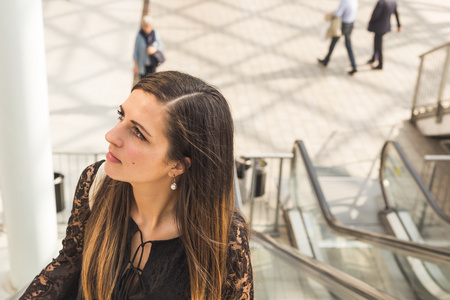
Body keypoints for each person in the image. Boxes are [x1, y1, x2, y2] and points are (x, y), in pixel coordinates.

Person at [20, 71, 253, 300]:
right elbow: (68, 264)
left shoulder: (225, 237)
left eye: (138, 133)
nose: (111, 135)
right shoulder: (96, 183)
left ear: (178, 165)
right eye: (121, 116)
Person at [318, 0, 359, 76]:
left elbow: (338, 14)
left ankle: (325, 61)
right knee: (348, 45)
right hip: (351, 24)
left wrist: (330, 15)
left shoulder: (345, 1)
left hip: (343, 25)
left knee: (333, 43)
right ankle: (354, 66)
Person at [367, 0, 401, 70]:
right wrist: (399, 25)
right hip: (385, 26)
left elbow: (375, 15)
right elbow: (396, 13)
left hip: (378, 27)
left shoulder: (381, 2)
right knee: (376, 42)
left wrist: (371, 22)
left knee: (378, 45)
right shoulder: (393, 2)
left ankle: (380, 64)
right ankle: (374, 58)